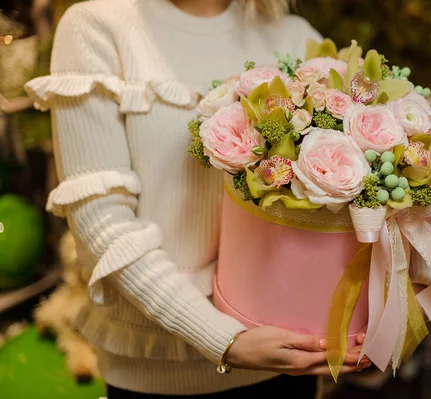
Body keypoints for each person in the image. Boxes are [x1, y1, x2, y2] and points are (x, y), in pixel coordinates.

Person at [25, 0, 370, 397]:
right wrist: (223, 338)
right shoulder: (98, 26)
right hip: (155, 371)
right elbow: (100, 220)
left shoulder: (295, 36)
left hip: (284, 360)